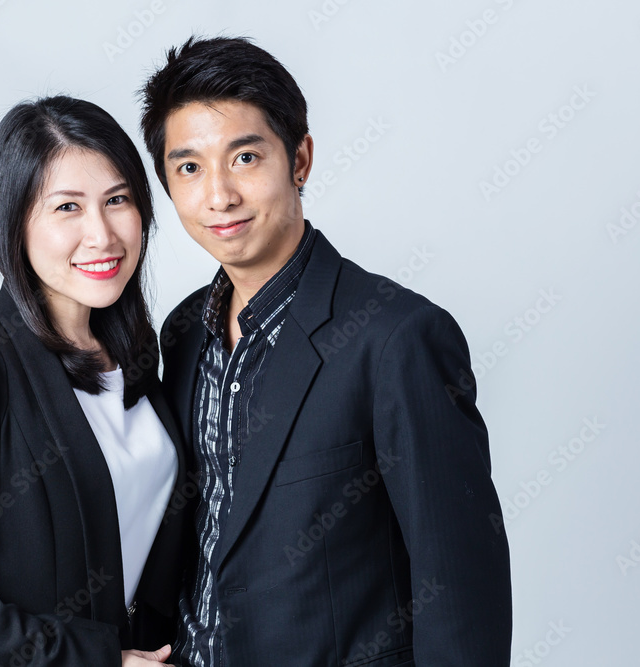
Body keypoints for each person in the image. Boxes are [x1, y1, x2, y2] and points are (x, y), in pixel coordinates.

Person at [139, 37, 513, 666]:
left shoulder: (396, 337)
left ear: (300, 160)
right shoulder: (182, 334)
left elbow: (460, 580)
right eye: (189, 168)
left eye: (246, 157)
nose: (219, 195)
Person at [0, 95, 184, 666]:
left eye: (117, 200)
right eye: (67, 208)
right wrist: (100, 659)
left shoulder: (144, 355)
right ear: (15, 222)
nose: (102, 234)